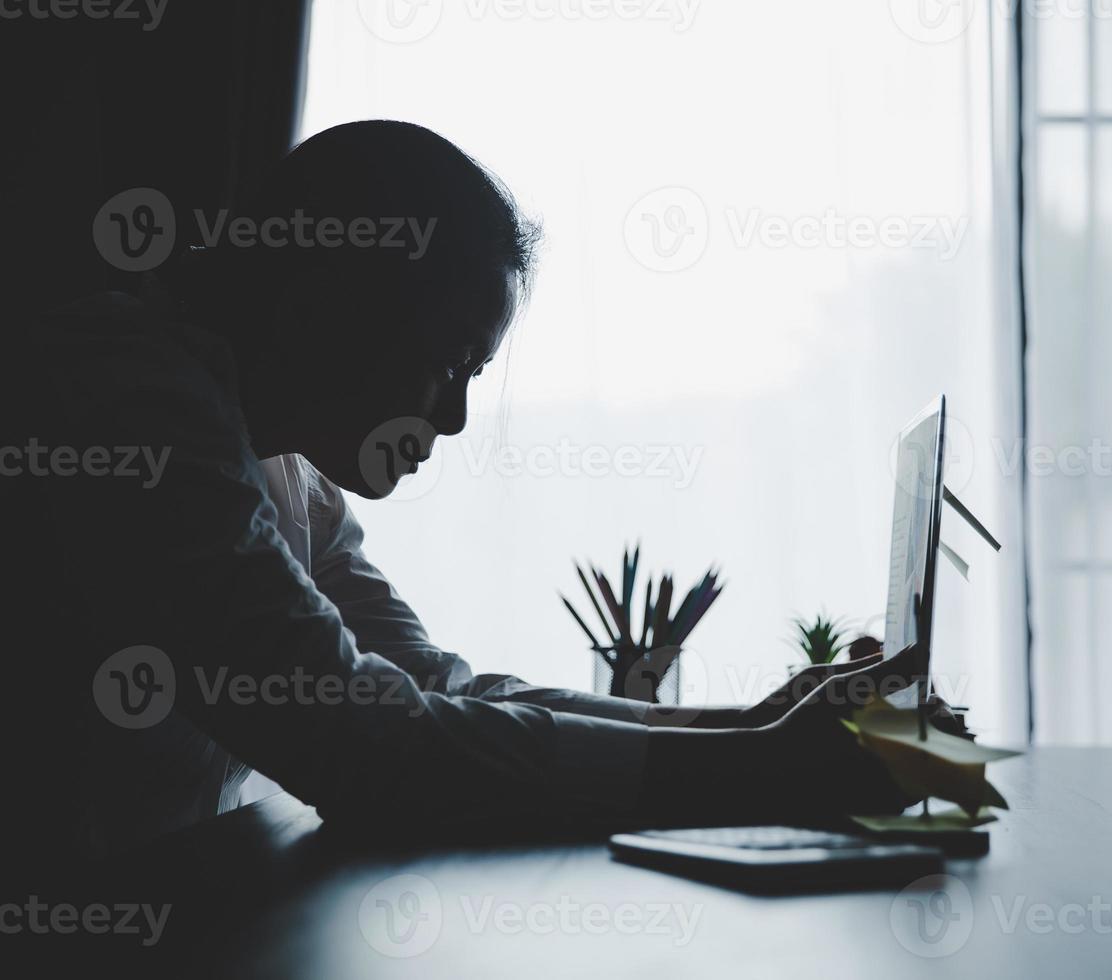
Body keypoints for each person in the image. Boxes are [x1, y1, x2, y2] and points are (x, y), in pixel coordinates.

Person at [3, 120, 938, 869]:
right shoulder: (127, 407)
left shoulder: (279, 458)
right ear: (322, 310)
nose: (451, 419)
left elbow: (434, 686)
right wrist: (763, 764)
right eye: (447, 364)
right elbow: (362, 745)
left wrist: (753, 723)